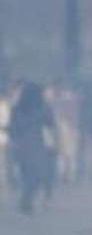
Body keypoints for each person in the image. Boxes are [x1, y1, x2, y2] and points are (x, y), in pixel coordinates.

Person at [9, 83, 56, 214]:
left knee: (27, 174)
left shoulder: (17, 108)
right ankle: (26, 199)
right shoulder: (42, 108)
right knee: (36, 175)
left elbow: (13, 129)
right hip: (37, 145)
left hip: (20, 145)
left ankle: (26, 200)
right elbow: (51, 123)